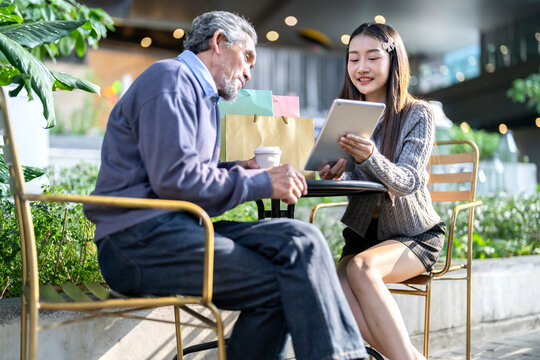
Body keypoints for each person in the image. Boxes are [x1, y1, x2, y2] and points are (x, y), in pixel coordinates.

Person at [83, 11, 367, 360]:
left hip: (173, 229)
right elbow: (177, 181)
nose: (249, 72)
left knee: (301, 238)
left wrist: (238, 169)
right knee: (281, 285)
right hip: (136, 243)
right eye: (247, 57)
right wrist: (260, 181)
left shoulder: (202, 96)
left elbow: (186, 178)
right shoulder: (171, 79)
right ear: (217, 42)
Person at [318, 22, 446, 360]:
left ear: (393, 62)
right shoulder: (347, 115)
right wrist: (338, 173)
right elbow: (362, 186)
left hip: (413, 235)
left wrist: (369, 156)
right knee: (335, 283)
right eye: (353, 58)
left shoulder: (418, 113)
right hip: (364, 237)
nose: (361, 67)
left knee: (361, 269)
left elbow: (407, 181)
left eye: (372, 57)